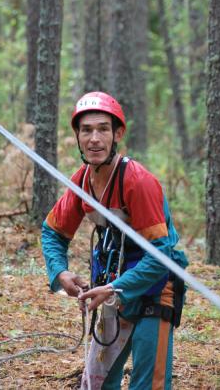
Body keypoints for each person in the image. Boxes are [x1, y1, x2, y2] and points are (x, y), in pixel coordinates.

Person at [41, 91, 188, 390]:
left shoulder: (138, 182)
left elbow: (160, 256)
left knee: (148, 386)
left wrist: (114, 288)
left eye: (103, 129)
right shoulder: (80, 183)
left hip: (156, 290)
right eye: (86, 130)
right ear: (78, 137)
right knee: (98, 383)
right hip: (111, 288)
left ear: (117, 134)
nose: (94, 138)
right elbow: (53, 232)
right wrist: (60, 272)